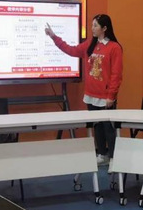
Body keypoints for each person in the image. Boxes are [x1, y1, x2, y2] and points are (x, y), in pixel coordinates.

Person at [46, 14, 123, 164]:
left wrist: (111, 95)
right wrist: (54, 37)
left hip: (106, 97)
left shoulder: (114, 47)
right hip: (91, 94)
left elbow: (116, 74)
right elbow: (71, 50)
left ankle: (114, 158)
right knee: (97, 126)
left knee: (108, 128)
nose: (92, 28)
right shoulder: (90, 44)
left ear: (104, 28)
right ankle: (102, 154)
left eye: (95, 25)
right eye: (92, 25)